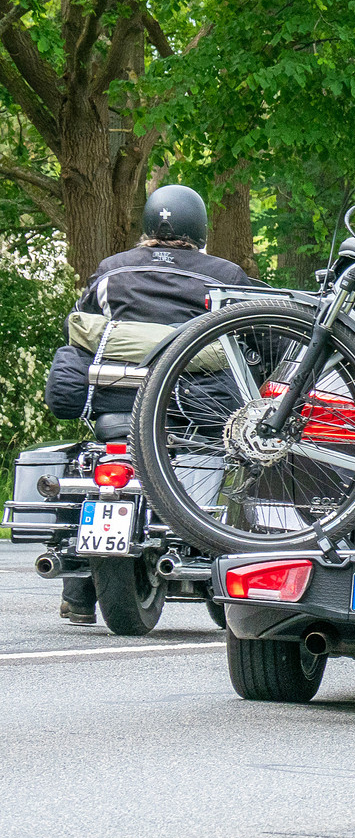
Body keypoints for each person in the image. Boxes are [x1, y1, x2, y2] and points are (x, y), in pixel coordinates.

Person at [57, 185, 249, 625]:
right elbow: (264, 337)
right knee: (215, 455)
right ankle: (219, 565)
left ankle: (79, 594)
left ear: (147, 224)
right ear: (200, 227)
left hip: (114, 405)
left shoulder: (110, 271)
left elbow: (81, 330)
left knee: (90, 468)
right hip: (191, 410)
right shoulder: (225, 276)